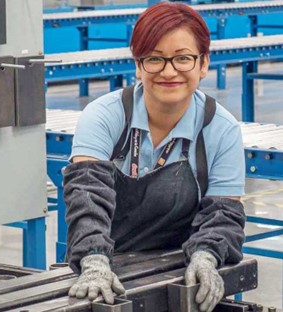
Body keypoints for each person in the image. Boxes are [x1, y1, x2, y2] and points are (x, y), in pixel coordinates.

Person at [62, 2, 246, 312]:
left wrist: (206, 255)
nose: (169, 71)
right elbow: (86, 197)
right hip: (104, 270)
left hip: (177, 270)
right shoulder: (105, 116)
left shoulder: (220, 128)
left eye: (183, 58)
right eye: (154, 59)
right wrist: (93, 259)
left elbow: (224, 214)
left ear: (203, 64)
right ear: (138, 65)